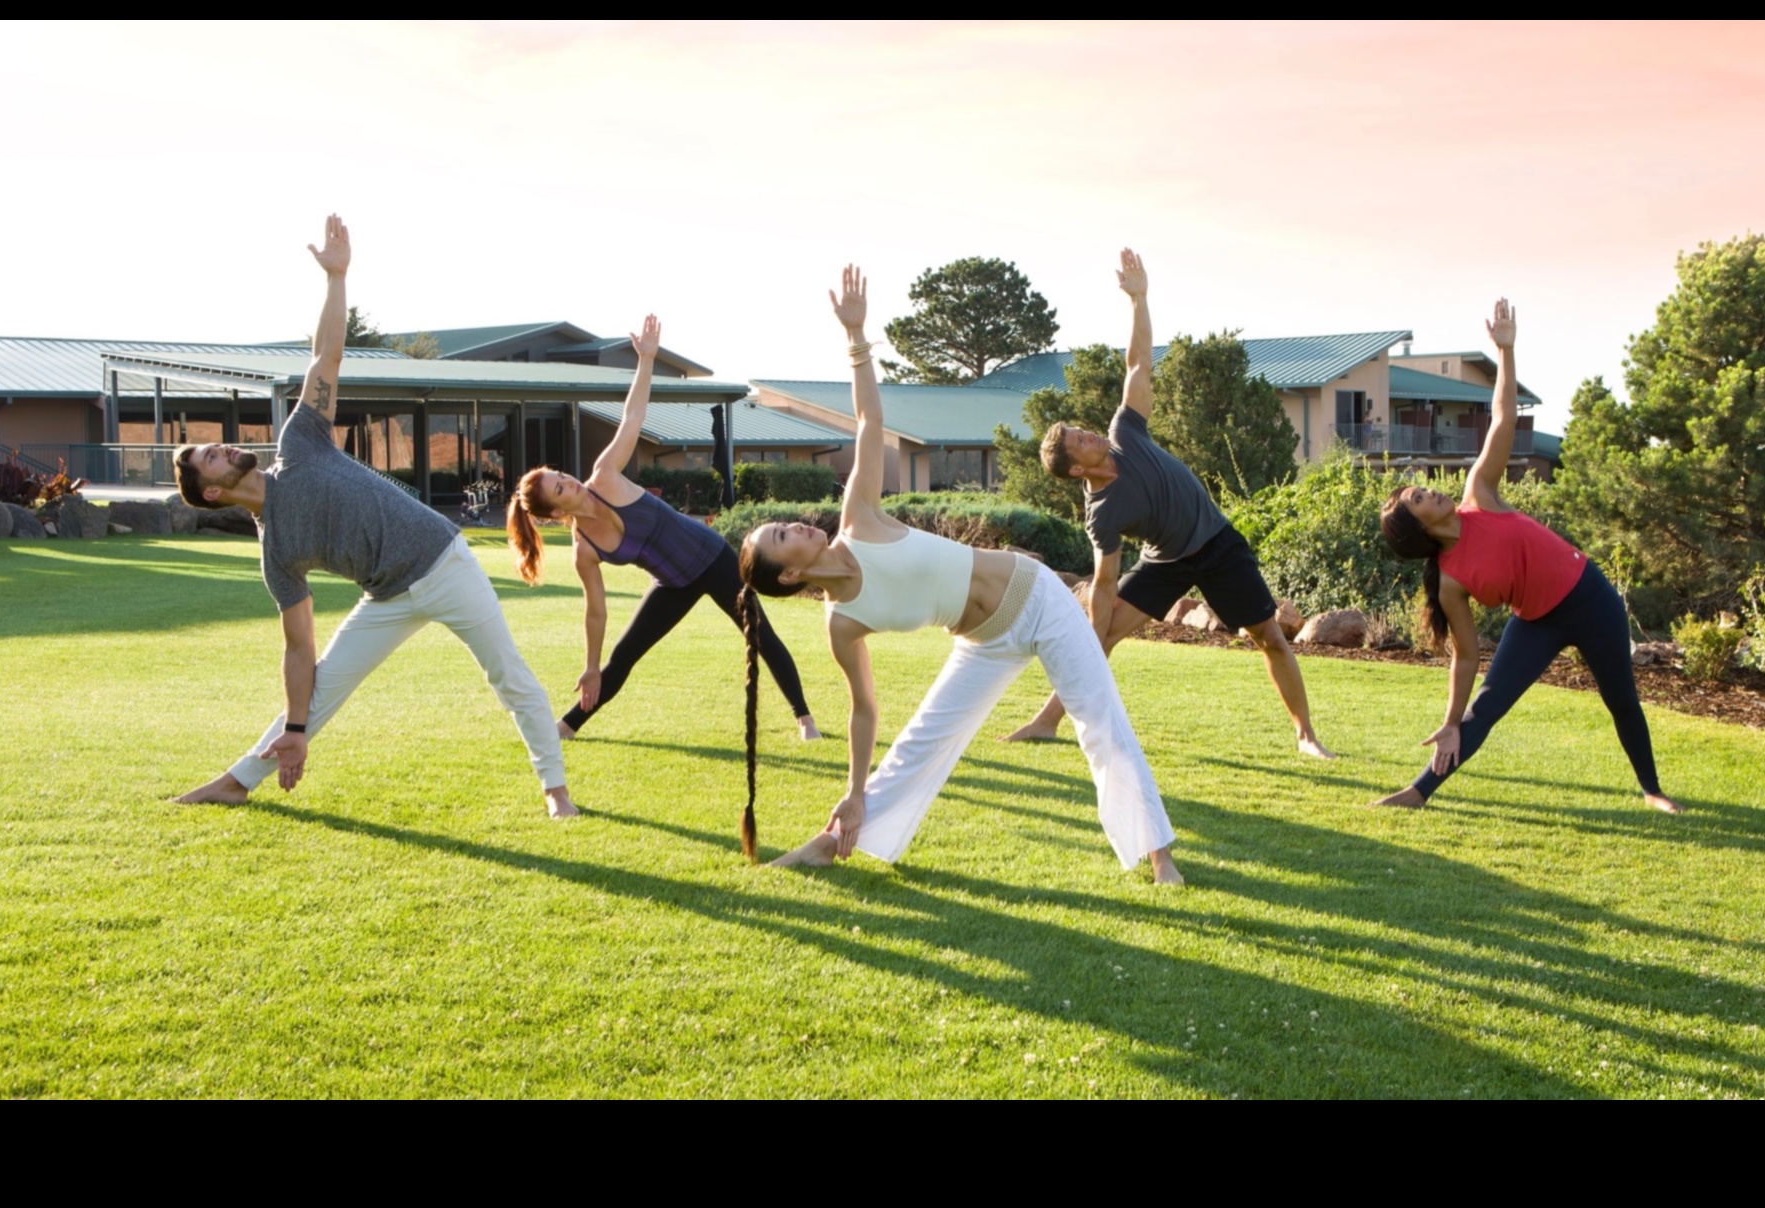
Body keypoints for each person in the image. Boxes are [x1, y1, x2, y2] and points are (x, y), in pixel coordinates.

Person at [739, 266, 1182, 883]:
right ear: (786, 577)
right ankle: (836, 835)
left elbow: (869, 424)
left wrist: (857, 340)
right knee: (920, 746)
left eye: (787, 524)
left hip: (1038, 599)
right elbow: (863, 710)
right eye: (783, 538)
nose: (797, 527)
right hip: (981, 642)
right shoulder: (841, 623)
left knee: (1098, 720)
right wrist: (854, 786)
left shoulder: (858, 518)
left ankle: (1159, 858)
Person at [171, 216, 575, 819]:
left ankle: (555, 793)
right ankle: (237, 780)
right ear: (211, 494)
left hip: (443, 562)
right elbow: (299, 650)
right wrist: (300, 723)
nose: (225, 447)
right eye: (212, 457)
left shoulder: (298, 443)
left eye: (218, 445)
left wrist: (337, 278)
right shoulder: (276, 551)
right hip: (387, 596)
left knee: (509, 677)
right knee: (324, 684)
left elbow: (325, 357)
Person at [1006, 249, 1334, 760]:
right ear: (1076, 468)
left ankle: (1306, 735)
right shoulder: (1102, 514)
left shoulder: (1124, 434)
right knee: (1107, 633)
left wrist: (1139, 298)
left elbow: (1138, 363)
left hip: (1217, 542)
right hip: (1167, 560)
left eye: (1082, 429)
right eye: (1080, 440)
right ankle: (1047, 720)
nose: (1089, 433)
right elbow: (1106, 581)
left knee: (1269, 635)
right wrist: (1097, 632)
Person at [1373, 299, 1679, 814]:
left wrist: (1506, 352)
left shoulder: (1480, 494)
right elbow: (1466, 655)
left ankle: (1652, 791)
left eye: (1422, 489)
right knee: (1484, 709)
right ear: (1416, 529)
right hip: (1536, 621)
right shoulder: (1449, 581)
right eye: (1419, 499)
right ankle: (1418, 792)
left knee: (1621, 699)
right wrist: (1450, 719)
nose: (1430, 492)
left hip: (1589, 596)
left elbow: (1503, 417)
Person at [505, 315, 820, 744]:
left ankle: (805, 719)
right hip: (672, 582)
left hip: (711, 558)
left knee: (758, 632)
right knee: (623, 656)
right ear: (556, 511)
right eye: (561, 487)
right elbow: (595, 611)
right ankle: (565, 728)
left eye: (562, 474)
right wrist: (591, 663)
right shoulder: (585, 550)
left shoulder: (606, 476)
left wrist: (647, 360)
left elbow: (633, 416)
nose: (570, 481)